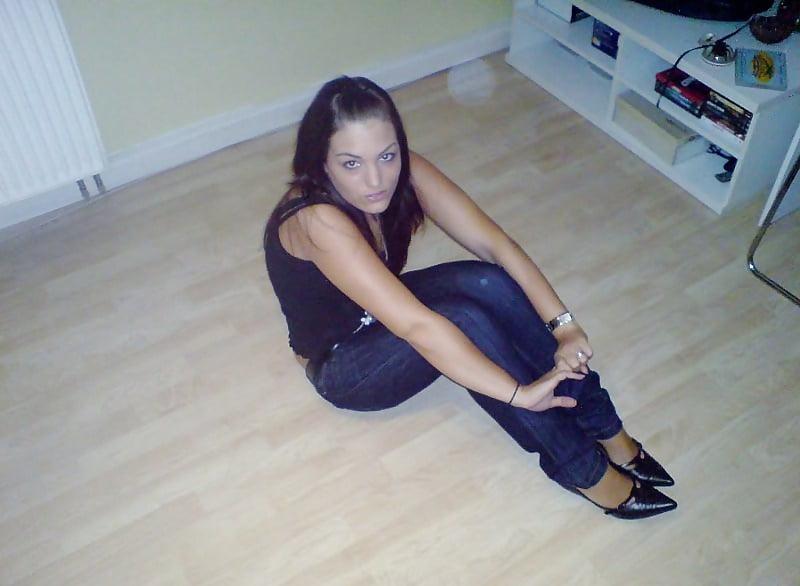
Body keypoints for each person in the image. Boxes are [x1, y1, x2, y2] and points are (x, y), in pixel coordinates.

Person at [264, 75, 677, 520]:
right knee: (463, 320)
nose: (375, 179)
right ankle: (585, 470)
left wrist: (565, 327)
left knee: (487, 282)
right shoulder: (316, 221)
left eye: (387, 155)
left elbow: (494, 245)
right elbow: (419, 327)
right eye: (351, 164)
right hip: (343, 362)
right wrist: (519, 394)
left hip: (384, 311)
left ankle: (606, 429)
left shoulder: (404, 173)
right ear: (321, 161)